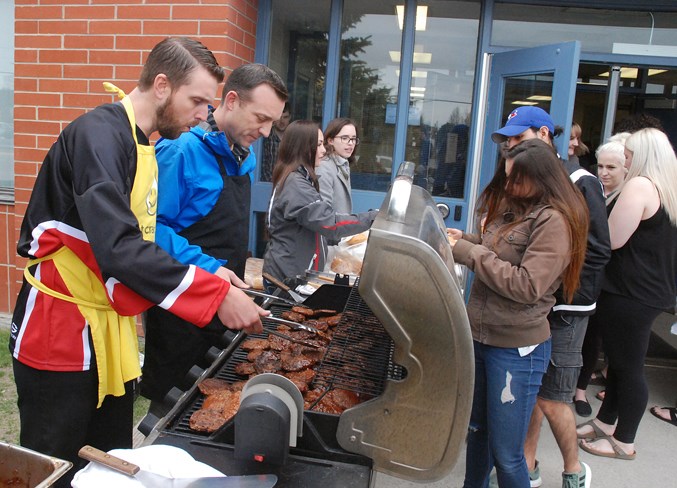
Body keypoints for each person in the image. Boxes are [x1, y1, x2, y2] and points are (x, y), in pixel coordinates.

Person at [8, 37, 267, 488]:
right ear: (162, 85)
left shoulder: (142, 141)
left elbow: (149, 236)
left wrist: (207, 270)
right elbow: (119, 246)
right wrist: (213, 295)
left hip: (110, 331)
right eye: (198, 101)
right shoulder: (97, 136)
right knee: (55, 466)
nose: (204, 115)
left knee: (110, 463)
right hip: (60, 330)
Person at [140, 64, 288, 411]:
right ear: (232, 100)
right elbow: (149, 229)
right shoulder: (180, 152)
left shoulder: (242, 156)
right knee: (173, 409)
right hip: (182, 311)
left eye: (273, 122)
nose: (266, 132)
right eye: (261, 118)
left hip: (223, 304)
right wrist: (209, 268)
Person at [448, 138, 589, 488]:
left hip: (516, 350)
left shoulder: (554, 221)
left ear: (541, 179)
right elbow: (499, 250)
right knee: (477, 433)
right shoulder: (519, 206)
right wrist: (464, 238)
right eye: (507, 177)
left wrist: (468, 252)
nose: (508, 185)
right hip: (482, 337)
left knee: (507, 454)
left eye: (516, 179)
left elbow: (527, 285)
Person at [490, 106, 610, 488]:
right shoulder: (523, 177)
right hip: (533, 306)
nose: (510, 146)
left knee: (553, 396)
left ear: (543, 134)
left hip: (566, 308)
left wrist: (553, 285)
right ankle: (527, 461)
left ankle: (574, 469)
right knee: (530, 395)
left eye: (518, 138)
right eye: (507, 140)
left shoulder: (579, 181)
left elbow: (597, 249)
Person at [577, 128, 677, 461]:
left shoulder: (639, 185)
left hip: (629, 292)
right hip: (648, 292)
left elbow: (612, 239)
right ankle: (607, 423)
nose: (625, 159)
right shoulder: (668, 189)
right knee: (620, 366)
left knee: (629, 369)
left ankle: (625, 440)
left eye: (629, 155)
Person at [262, 120, 378, 285]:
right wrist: (373, 217)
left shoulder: (299, 178)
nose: (324, 151)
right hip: (287, 278)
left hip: (293, 273)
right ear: (303, 148)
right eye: (319, 145)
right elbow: (330, 224)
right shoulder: (296, 184)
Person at [316, 117, 359, 214]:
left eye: (353, 139)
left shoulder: (343, 163)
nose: (351, 143)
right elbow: (323, 213)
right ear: (330, 140)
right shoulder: (324, 167)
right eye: (344, 138)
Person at [261, 102, 291, 182]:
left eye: (285, 117)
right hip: (267, 184)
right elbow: (262, 166)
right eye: (279, 117)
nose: (282, 121)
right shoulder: (266, 137)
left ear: (290, 117)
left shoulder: (293, 139)